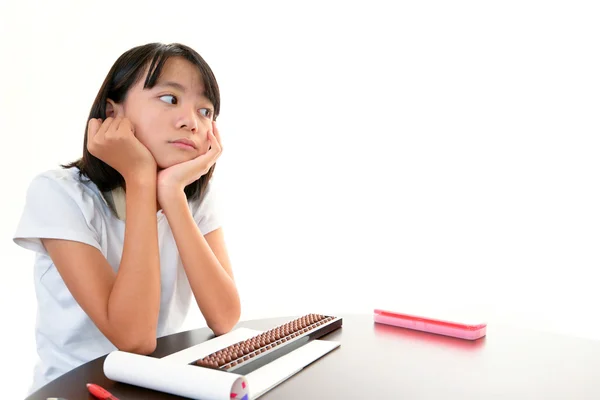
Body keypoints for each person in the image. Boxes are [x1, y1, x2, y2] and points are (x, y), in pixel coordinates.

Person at [12, 42, 241, 394]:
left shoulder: (191, 194)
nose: (191, 122)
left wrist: (171, 196)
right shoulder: (59, 193)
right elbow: (134, 339)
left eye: (206, 111)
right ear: (112, 111)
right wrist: (139, 177)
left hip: (151, 387)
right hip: (72, 390)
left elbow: (225, 317)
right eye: (169, 98)